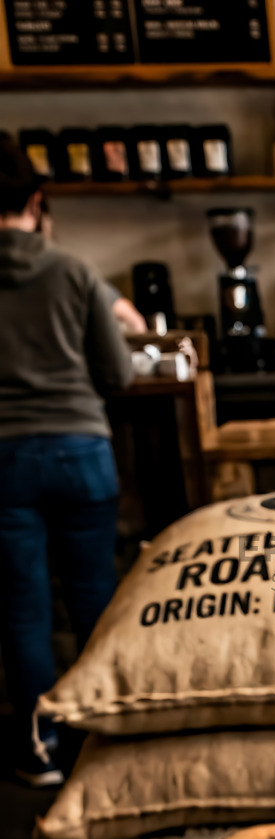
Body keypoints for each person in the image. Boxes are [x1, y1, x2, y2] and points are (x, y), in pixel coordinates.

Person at [0, 137, 132, 783]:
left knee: (22, 609)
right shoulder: (74, 272)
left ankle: (41, 751)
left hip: (2, 459)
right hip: (82, 452)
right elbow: (118, 372)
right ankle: (100, 742)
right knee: (95, 603)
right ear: (35, 198)